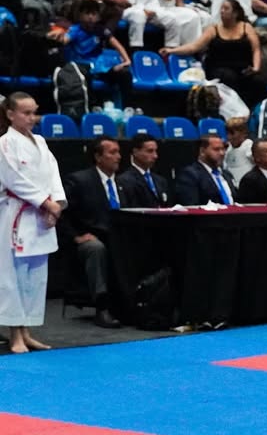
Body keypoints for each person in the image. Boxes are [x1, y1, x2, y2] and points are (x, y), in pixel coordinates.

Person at [0, 93, 66, 354]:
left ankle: (27, 332)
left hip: (41, 217)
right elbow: (13, 179)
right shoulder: (5, 143)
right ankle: (14, 334)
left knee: (36, 278)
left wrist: (57, 205)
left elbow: (54, 174)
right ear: (10, 115)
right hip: (16, 214)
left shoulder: (40, 141)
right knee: (13, 276)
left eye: (34, 112)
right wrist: (44, 203)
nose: (31, 118)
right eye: (25, 113)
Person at [57, 137, 126, 329]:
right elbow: (61, 213)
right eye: (112, 152)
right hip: (90, 237)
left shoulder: (124, 182)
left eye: (119, 152)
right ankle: (101, 306)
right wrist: (75, 236)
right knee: (95, 248)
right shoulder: (80, 181)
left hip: (120, 237)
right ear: (98, 156)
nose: (118, 157)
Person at [161, 0, 267, 108]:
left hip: (243, 69)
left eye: (226, 9)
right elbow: (194, 47)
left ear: (235, 13)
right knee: (229, 77)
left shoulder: (246, 27)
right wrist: (172, 50)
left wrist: (256, 68)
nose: (222, 11)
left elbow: (256, 49)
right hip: (219, 69)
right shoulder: (213, 29)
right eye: (221, 8)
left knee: (258, 81)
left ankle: (257, 112)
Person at [62, 0, 134, 105]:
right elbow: (65, 40)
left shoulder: (100, 30)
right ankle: (91, 107)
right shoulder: (75, 30)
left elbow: (116, 44)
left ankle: (128, 107)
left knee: (124, 73)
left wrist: (127, 60)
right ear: (80, 15)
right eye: (87, 13)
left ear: (98, 16)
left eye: (94, 14)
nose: (90, 17)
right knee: (86, 76)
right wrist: (60, 37)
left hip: (99, 66)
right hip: (81, 66)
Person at [109, 0, 197, 49]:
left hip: (149, 9)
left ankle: (170, 50)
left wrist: (153, 10)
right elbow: (123, 1)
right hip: (128, 10)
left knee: (172, 18)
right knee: (138, 16)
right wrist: (143, 9)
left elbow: (152, 1)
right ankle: (136, 49)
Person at [175, 135, 239, 205]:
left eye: (223, 149)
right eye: (216, 149)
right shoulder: (190, 175)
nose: (222, 153)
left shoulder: (227, 175)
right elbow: (192, 205)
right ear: (202, 151)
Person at [117, 135, 171, 208]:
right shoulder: (125, 180)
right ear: (135, 152)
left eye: (155, 151)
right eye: (150, 151)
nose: (155, 156)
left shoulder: (161, 180)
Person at [224, 116, 255, 182]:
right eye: (227, 133)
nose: (229, 137)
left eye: (232, 133)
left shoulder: (248, 146)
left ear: (243, 133)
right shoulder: (228, 150)